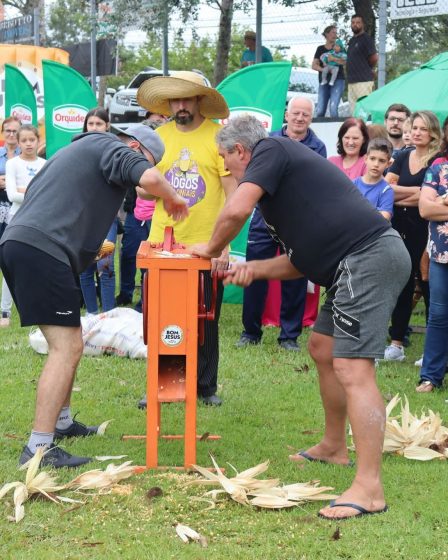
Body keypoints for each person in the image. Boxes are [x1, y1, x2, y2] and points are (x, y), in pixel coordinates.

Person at [191, 114, 410, 520]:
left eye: (225, 159)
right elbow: (300, 260)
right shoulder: (281, 188)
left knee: (353, 367)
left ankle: (370, 489)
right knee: (323, 347)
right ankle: (333, 446)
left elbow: (235, 211)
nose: (226, 167)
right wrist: (253, 269)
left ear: (240, 150)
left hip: (368, 258)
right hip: (350, 264)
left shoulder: (271, 149)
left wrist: (210, 248)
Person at [0, 124, 188, 468]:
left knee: (71, 341)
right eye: (150, 161)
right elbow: (149, 181)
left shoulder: (80, 154)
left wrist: (86, 249)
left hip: (27, 245)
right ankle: (38, 449)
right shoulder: (109, 146)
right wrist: (173, 197)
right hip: (42, 251)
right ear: (135, 148)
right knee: (66, 347)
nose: (147, 171)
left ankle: (62, 423)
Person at [136, 70, 235, 406]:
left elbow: (233, 195)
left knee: (206, 319)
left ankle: (205, 387)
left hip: (206, 246)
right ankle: (162, 384)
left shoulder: (218, 137)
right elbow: (143, 188)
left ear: (199, 101)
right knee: (160, 319)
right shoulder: (158, 137)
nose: (180, 105)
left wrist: (223, 245)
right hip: (161, 246)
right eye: (175, 99)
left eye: (186, 98)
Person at [236, 96, 326, 351]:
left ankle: (289, 337)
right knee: (253, 273)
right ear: (287, 114)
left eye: (305, 114)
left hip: (296, 222)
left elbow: (313, 183)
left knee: (295, 279)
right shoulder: (266, 140)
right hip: (263, 218)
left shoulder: (318, 147)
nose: (300, 118)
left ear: (311, 118)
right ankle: (250, 332)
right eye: (296, 113)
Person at [384, 111, 441, 362]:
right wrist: (417, 192)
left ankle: (432, 348)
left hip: (426, 230)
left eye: (423, 129)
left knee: (428, 286)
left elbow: (430, 198)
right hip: (399, 227)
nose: (416, 132)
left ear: (433, 133)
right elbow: (386, 189)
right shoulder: (402, 156)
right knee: (402, 284)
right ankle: (396, 343)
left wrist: (408, 195)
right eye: (414, 127)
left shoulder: (437, 160)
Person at [0, 125, 46, 328]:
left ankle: (39, 309)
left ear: (38, 141)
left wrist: (23, 190)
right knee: (11, 265)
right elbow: (12, 195)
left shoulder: (45, 164)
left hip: (39, 220)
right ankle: (5, 311)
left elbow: (47, 194)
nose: (28, 144)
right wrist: (33, 191)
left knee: (39, 265)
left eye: (32, 140)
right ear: (18, 143)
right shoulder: (12, 164)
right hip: (16, 219)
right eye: (24, 140)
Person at [78, 108, 118, 315]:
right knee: (85, 266)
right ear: (85, 126)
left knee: (105, 264)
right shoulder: (76, 149)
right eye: (90, 123)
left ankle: (109, 315)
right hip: (84, 217)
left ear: (107, 126)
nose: (94, 128)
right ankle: (91, 314)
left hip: (107, 216)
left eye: (99, 124)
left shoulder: (115, 149)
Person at [416, 159, 448, 392]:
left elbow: (432, 207)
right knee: (438, 315)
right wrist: (436, 203)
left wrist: (441, 202)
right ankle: (430, 377)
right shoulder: (437, 170)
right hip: (441, 256)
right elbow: (425, 210)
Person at [353, 137, 394, 220]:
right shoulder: (353, 184)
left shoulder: (386, 190)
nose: (376, 164)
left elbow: (385, 218)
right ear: (365, 159)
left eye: (382, 161)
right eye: (372, 159)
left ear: (388, 164)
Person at [346, 14, 378, 114]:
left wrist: (367, 68)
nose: (355, 25)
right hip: (351, 81)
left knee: (364, 112)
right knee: (353, 114)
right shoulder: (352, 41)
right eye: (353, 22)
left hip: (363, 81)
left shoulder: (366, 39)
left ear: (363, 24)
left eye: (358, 22)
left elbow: (374, 58)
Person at [312, 25, 345, 118]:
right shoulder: (320, 49)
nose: (335, 35)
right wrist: (324, 70)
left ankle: (336, 127)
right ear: (326, 34)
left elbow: (344, 61)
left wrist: (333, 59)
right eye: (333, 32)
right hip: (324, 81)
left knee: (333, 108)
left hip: (338, 79)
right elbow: (314, 65)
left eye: (336, 33)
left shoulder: (340, 48)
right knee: (320, 110)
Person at [0, 116, 21, 239]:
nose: (11, 134)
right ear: (2, 132)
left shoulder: (27, 154)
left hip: (19, 206)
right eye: (8, 131)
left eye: (15, 131)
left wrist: (8, 181)